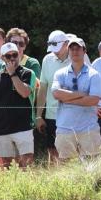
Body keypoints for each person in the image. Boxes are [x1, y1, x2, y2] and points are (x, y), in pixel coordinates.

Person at [51, 36, 101, 160]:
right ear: (68, 52)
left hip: (88, 128)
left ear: (84, 51)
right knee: (65, 166)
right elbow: (56, 93)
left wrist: (67, 98)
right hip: (65, 128)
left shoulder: (94, 74)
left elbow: (94, 100)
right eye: (72, 49)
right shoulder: (60, 74)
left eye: (78, 49)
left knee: (92, 166)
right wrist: (81, 94)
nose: (75, 51)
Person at [0, 42, 35, 166]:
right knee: (5, 167)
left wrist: (12, 73)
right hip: (1, 127)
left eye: (14, 55)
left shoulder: (27, 73)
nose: (12, 58)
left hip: (23, 126)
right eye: (8, 56)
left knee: (26, 165)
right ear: (2, 58)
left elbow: (24, 93)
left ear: (18, 54)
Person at [35, 30, 71, 161]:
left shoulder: (78, 57)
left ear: (66, 43)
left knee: (72, 152)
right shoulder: (47, 59)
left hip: (74, 115)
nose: (54, 51)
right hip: (52, 115)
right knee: (53, 150)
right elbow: (43, 88)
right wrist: (38, 115)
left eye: (57, 47)